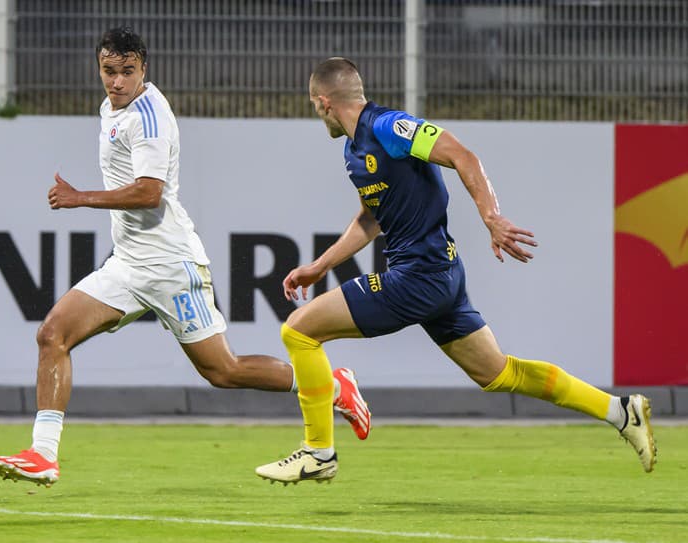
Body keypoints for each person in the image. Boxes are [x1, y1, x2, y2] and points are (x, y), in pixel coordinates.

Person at [0, 29, 371, 487]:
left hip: (172, 266)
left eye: (127, 72)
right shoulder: (111, 108)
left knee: (223, 371)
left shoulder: (149, 117)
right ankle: (43, 454)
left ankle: (332, 387)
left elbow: (150, 193)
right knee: (53, 334)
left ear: (143, 70)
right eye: (109, 71)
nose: (117, 82)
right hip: (129, 264)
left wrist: (79, 198)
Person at [254, 58, 657, 484]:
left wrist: (491, 217)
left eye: (314, 107)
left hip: (418, 277)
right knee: (500, 373)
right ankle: (619, 410)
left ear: (322, 101)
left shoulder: (389, 127)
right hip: (440, 278)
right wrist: (319, 266)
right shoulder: (355, 151)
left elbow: (462, 155)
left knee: (299, 331)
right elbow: (370, 220)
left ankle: (319, 452)